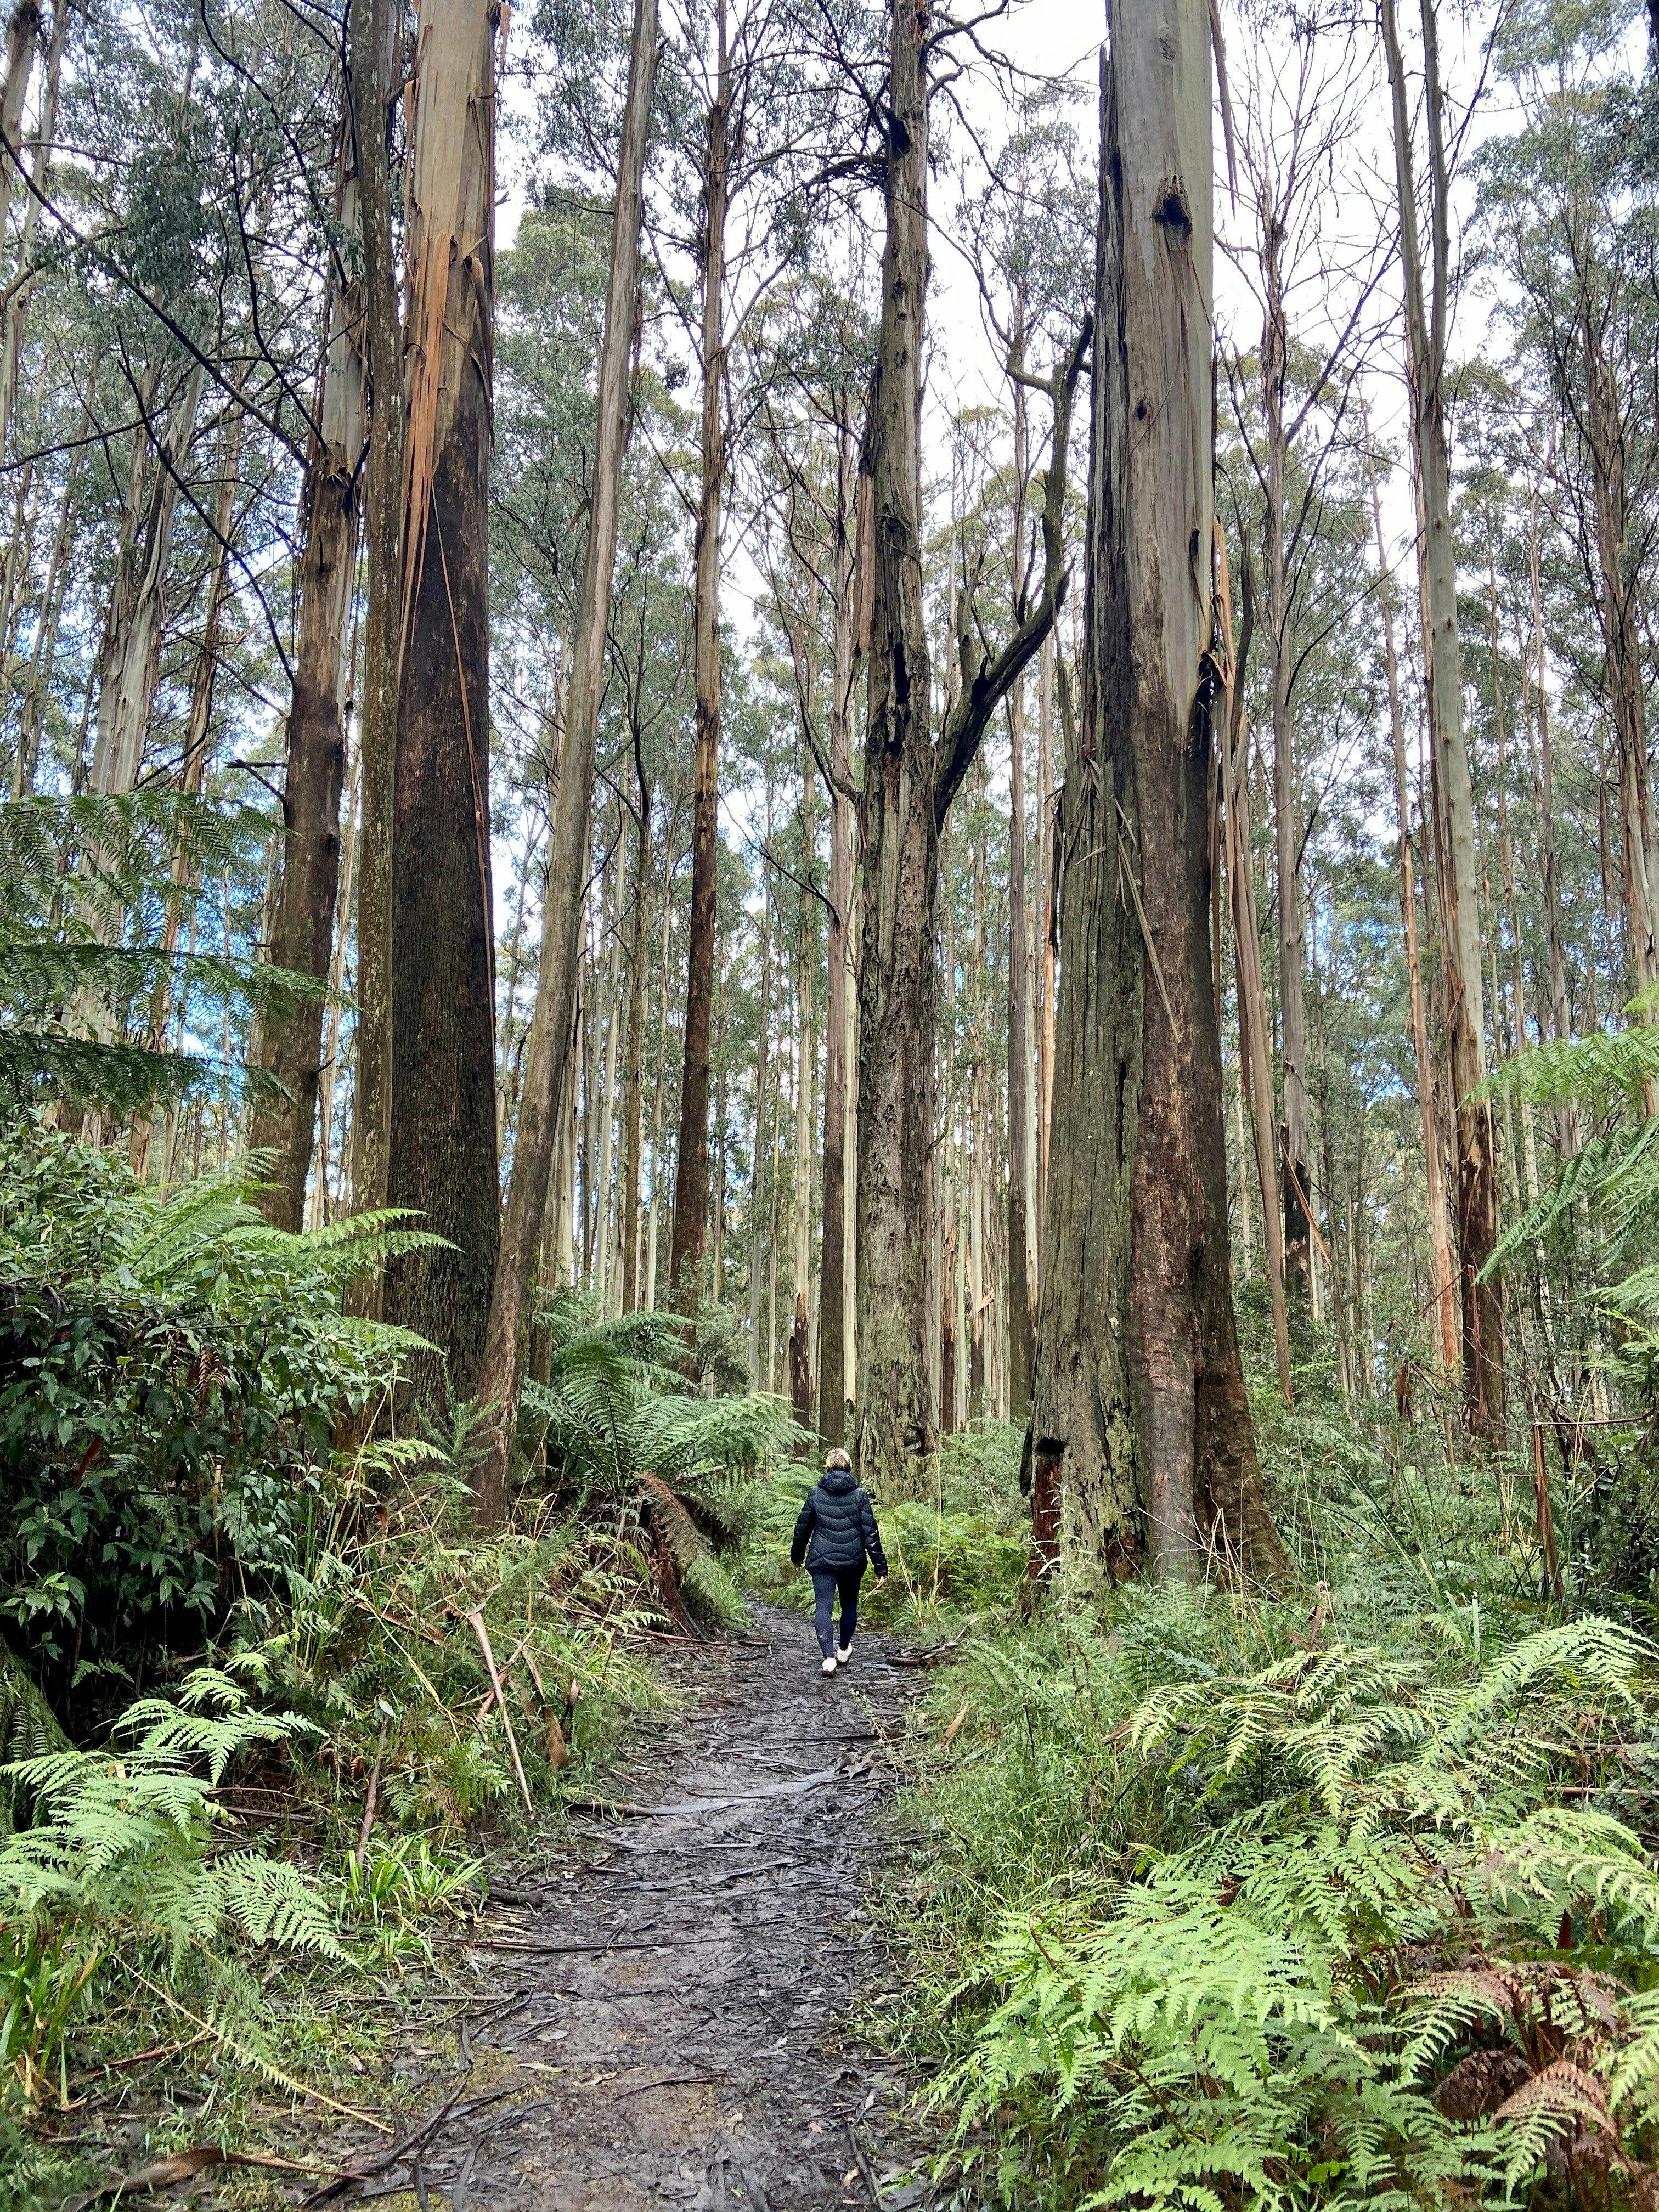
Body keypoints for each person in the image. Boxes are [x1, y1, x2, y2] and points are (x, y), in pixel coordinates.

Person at [790, 1447, 887, 1674]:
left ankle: (828, 1659)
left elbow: (802, 1530)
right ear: (849, 1467)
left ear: (828, 1467)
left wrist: (797, 1556)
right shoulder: (860, 1496)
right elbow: (871, 1533)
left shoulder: (815, 1494)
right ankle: (843, 1649)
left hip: (822, 1561)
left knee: (823, 1607)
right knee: (849, 1605)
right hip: (852, 1561)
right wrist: (880, 1567)